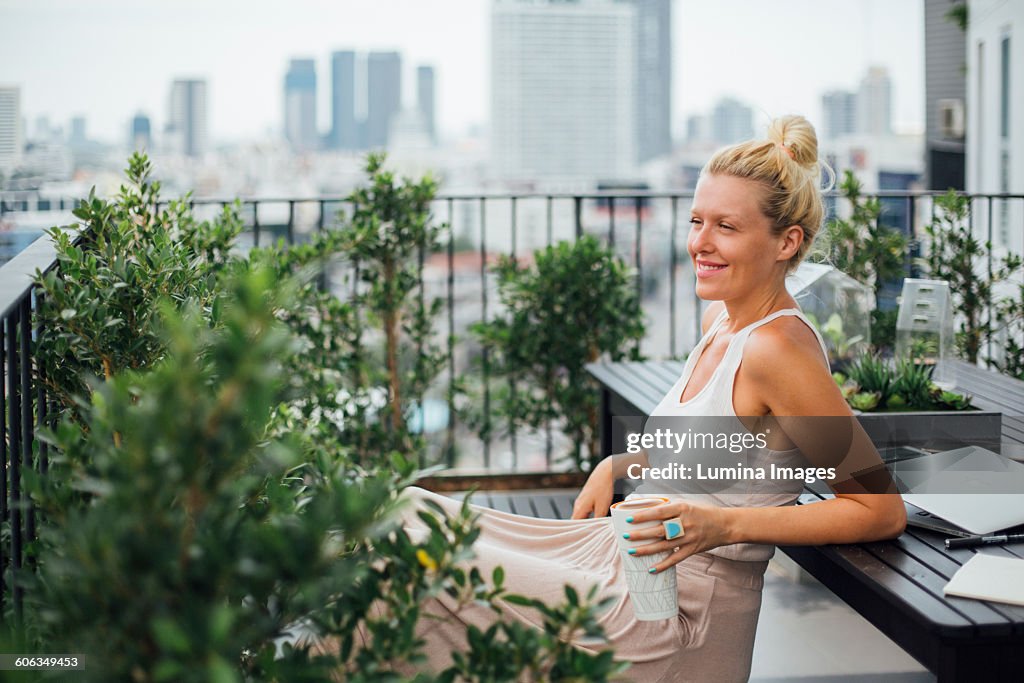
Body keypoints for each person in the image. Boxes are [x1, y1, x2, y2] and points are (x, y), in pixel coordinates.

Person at [344, 115, 907, 682]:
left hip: (675, 612)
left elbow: (878, 509)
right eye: (696, 221)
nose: (699, 243)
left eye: (726, 227)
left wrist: (726, 526)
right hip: (626, 561)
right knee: (406, 510)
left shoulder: (779, 349)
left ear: (787, 241)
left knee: (400, 565)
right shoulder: (722, 320)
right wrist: (621, 462)